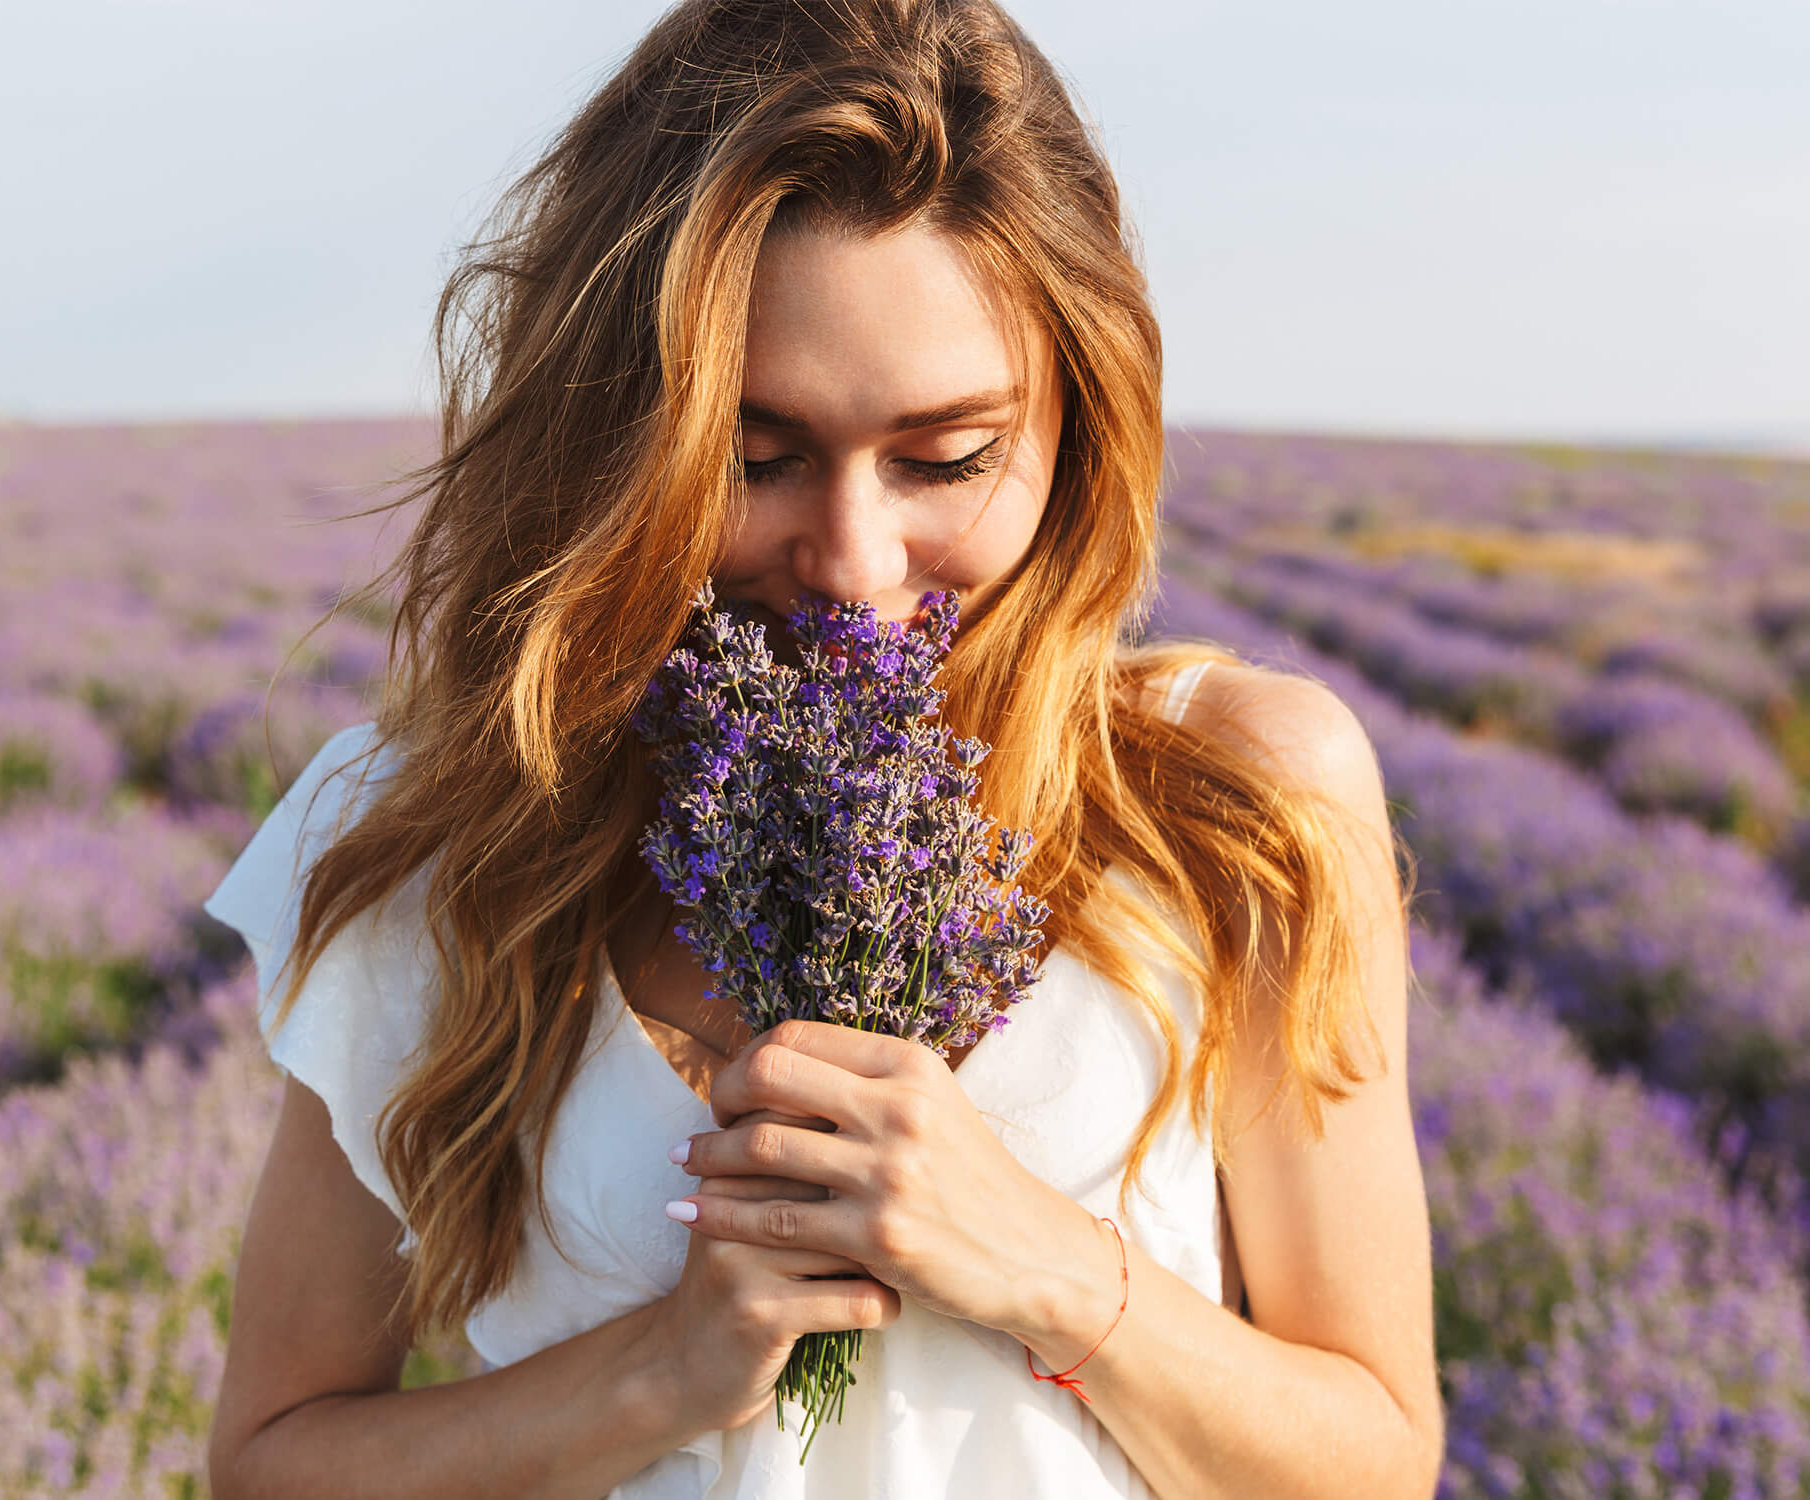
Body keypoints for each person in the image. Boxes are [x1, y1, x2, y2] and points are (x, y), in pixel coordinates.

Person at [204, 1, 1441, 1495]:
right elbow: (272, 1464)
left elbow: (1376, 1460)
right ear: (617, 441)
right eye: (755, 456)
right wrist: (658, 1372)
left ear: (1078, 427)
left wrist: (1046, 1267)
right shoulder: (445, 831)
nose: (853, 563)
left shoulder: (1236, 797)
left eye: (946, 456)